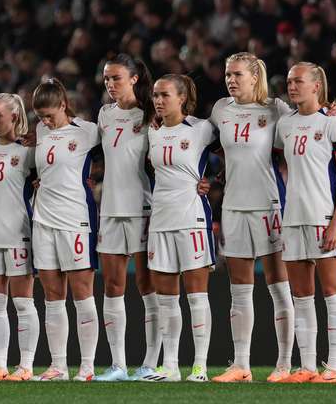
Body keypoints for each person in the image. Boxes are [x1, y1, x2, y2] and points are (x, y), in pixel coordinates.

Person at [209, 53, 296, 383]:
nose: (230, 79)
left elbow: (303, 127)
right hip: (233, 207)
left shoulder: (276, 109)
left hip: (268, 206)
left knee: (279, 287)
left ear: (254, 77)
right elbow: (203, 144)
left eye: (237, 74)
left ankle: (284, 365)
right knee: (239, 291)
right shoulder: (220, 110)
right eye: (227, 74)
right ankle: (241, 366)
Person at [274, 62, 336, 383]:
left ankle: (334, 367)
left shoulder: (334, 124)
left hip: (325, 218)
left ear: (316, 87)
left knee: (333, 293)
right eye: (290, 81)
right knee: (302, 296)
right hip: (293, 218)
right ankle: (307, 367)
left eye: (299, 81)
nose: (292, 86)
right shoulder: (286, 124)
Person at [142, 74, 217, 382]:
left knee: (196, 296)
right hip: (160, 220)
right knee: (166, 299)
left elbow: (243, 149)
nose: (158, 101)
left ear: (182, 98)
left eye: (165, 95)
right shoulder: (152, 131)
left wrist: (216, 180)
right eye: (156, 95)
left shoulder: (202, 129)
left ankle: (199, 366)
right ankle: (170, 366)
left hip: (192, 219)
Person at [94, 55, 162, 381]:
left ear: (134, 79)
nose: (110, 84)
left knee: (147, 284)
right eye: (107, 79)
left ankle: (150, 363)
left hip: (142, 208)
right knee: (112, 285)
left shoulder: (151, 114)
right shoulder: (105, 114)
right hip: (110, 209)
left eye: (116, 78)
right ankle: (118, 365)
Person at [30, 78, 100, 381]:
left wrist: (94, 180)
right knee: (52, 295)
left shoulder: (88, 131)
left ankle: (86, 366)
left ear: (63, 105)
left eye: (50, 114)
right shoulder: (40, 131)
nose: (46, 121)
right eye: (41, 116)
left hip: (75, 220)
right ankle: (58, 365)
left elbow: (120, 156)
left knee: (82, 294)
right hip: (42, 220)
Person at [0, 93, 39, 381]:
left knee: (23, 303)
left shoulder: (29, 150)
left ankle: (25, 366)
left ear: (14, 116)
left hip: (19, 234)